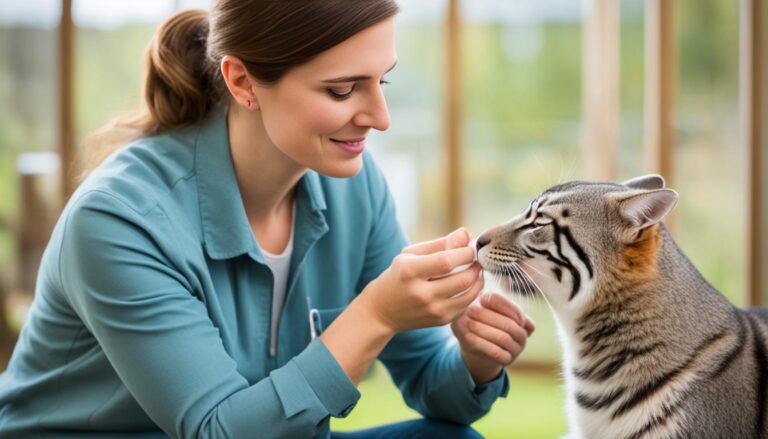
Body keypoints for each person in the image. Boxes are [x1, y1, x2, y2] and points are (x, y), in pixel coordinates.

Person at [0, 1, 535, 437]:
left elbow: (429, 381)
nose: (380, 118)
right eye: (343, 90)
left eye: (383, 82)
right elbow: (219, 432)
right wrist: (374, 315)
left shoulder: (353, 185)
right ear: (242, 82)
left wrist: (474, 359)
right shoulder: (119, 221)